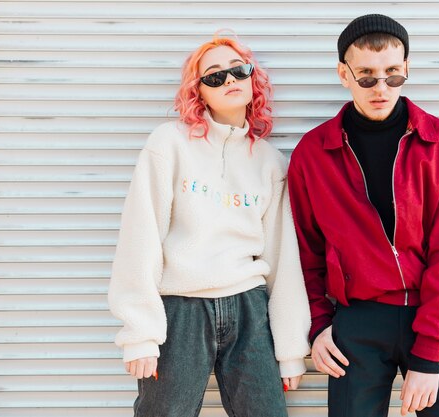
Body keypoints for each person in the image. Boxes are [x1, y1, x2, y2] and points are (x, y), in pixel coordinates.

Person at [108, 32, 311, 417]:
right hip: (182, 308)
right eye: (214, 76)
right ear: (198, 92)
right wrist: (140, 332)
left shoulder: (270, 162)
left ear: (253, 79)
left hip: (249, 307)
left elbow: (283, 258)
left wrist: (290, 350)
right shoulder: (169, 144)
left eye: (238, 70)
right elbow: (142, 235)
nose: (229, 80)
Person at [288, 14, 439, 417]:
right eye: (367, 76)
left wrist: (429, 354)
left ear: (406, 69)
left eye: (392, 74)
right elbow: (306, 252)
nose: (381, 88)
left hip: (433, 319)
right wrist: (320, 324)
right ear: (344, 74)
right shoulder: (313, 153)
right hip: (357, 323)